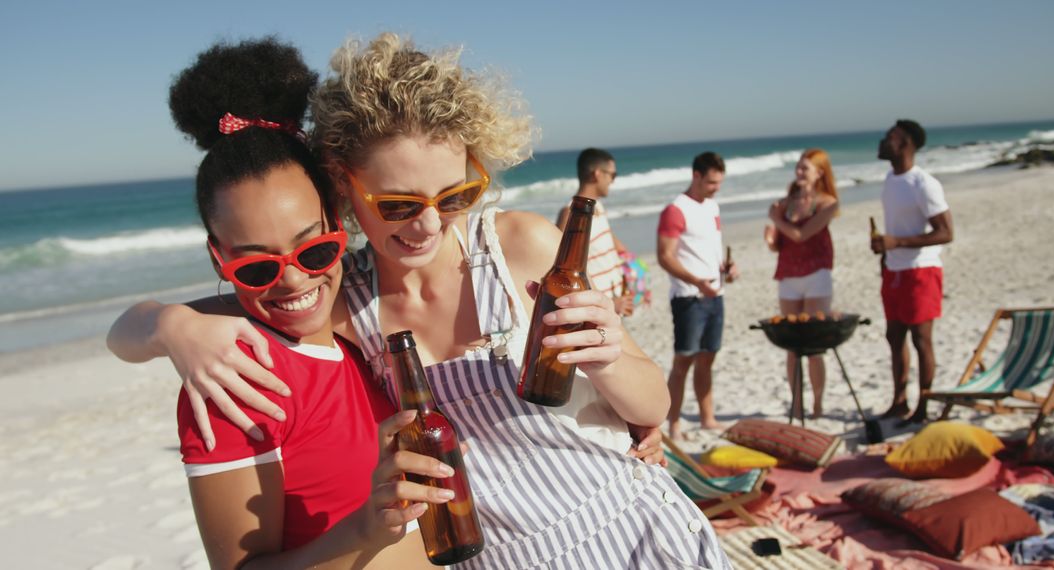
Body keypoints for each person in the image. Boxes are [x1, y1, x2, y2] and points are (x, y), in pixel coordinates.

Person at [110, 33, 731, 568]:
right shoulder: (340, 297)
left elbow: (654, 401)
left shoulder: (520, 246)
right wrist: (171, 327)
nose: (430, 225)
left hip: (632, 532)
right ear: (343, 185)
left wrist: (611, 361)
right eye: (400, 205)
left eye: (456, 195)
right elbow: (133, 331)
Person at [118, 38, 454, 569]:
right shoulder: (236, 380)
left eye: (315, 249)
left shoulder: (360, 311)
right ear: (218, 260)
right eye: (256, 267)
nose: (294, 279)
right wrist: (362, 531)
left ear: (339, 224)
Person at [872, 119, 954, 424]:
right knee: (894, 336)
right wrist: (885, 249)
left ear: (905, 143)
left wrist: (898, 242)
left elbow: (946, 232)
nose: (883, 142)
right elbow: (898, 227)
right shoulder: (889, 180)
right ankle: (899, 400)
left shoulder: (924, 184)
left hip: (921, 269)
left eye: (889, 137)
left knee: (921, 339)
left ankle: (923, 405)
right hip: (894, 269)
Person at [657, 152, 738, 441]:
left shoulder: (712, 206)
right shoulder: (675, 210)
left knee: (707, 359)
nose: (716, 188)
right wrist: (696, 281)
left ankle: (707, 418)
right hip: (688, 297)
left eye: (719, 182)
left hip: (715, 293)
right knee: (683, 362)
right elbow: (665, 257)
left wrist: (726, 268)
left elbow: (709, 248)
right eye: (712, 182)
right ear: (696, 176)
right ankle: (674, 423)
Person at [764, 149, 840, 419]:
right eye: (798, 167)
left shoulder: (826, 202)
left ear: (819, 172)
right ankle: (797, 401)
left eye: (805, 168)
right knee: (793, 344)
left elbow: (801, 234)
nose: (799, 172)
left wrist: (776, 221)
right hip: (788, 274)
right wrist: (771, 236)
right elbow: (780, 244)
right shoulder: (787, 202)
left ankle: (817, 401)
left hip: (816, 273)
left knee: (814, 344)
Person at [556, 148, 635, 316]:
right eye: (612, 175)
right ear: (598, 174)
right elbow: (564, 271)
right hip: (598, 308)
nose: (612, 181)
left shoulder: (597, 206)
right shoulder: (572, 213)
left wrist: (636, 277)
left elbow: (610, 240)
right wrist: (608, 304)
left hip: (615, 300)